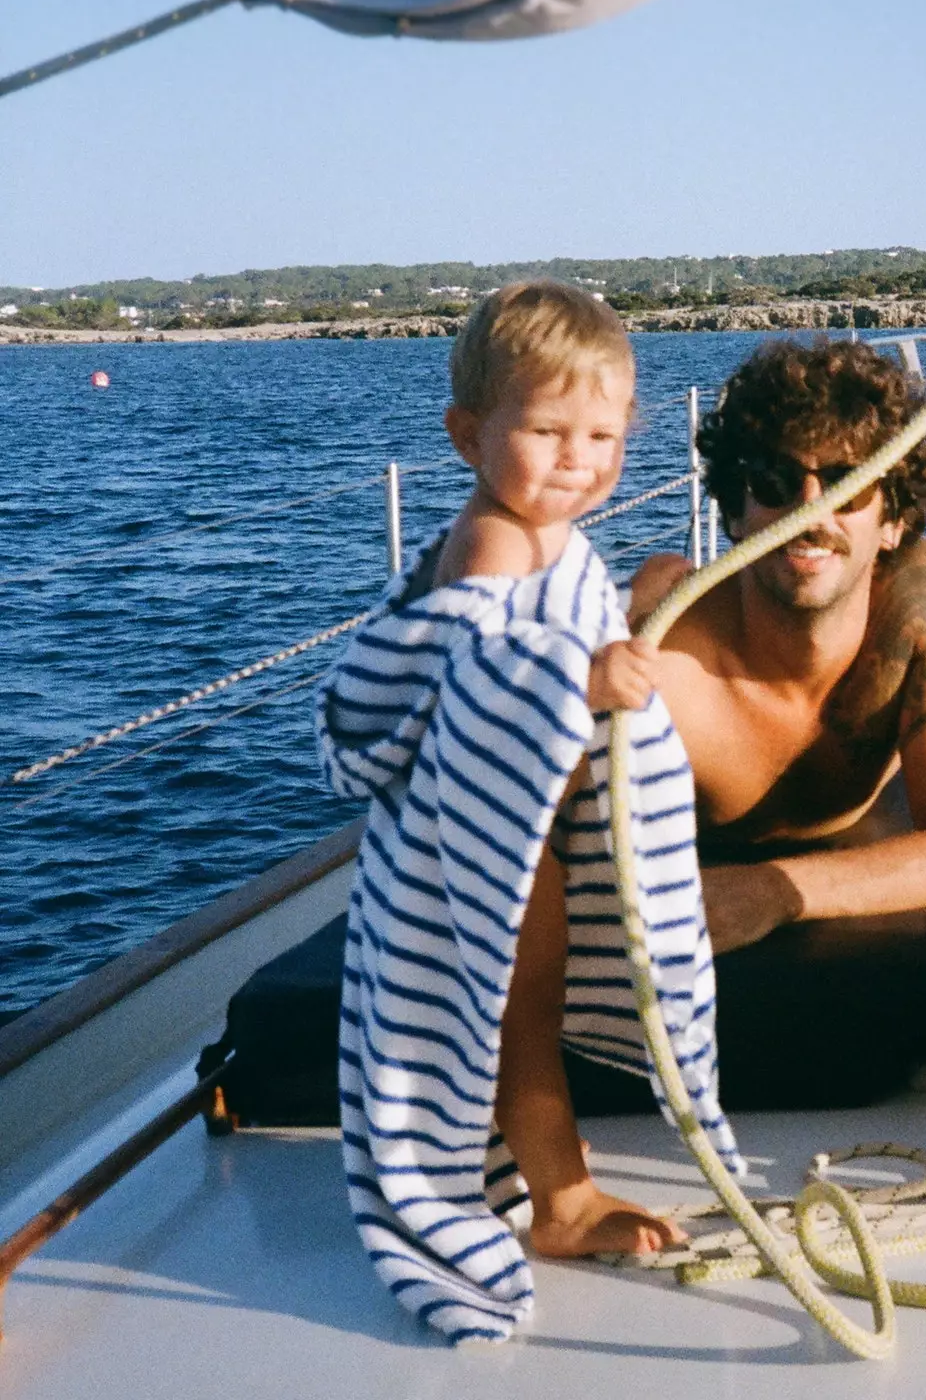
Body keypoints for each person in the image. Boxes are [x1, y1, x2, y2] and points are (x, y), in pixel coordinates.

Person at [326, 280, 692, 1274]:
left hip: (523, 832)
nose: (577, 458)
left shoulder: (551, 534)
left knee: (518, 1017)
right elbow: (478, 670)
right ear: (467, 435)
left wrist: (632, 605)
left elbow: (548, 628)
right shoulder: (491, 536)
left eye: (602, 436)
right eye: (546, 429)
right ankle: (560, 1197)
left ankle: (546, 1184)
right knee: (517, 1021)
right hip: (488, 848)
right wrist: (586, 675)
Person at [633, 337, 926, 948]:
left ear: (890, 521)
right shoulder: (669, 661)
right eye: (777, 480)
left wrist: (770, 892)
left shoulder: (919, 603)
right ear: (735, 512)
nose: (811, 512)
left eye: (846, 483)